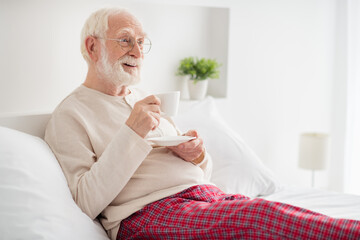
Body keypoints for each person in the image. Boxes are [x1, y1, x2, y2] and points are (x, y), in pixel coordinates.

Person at [45, 7, 360, 240]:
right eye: (126, 40)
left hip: (205, 197)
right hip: (148, 215)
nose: (138, 52)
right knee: (261, 216)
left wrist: (196, 155)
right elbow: (85, 201)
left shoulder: (144, 100)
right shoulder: (71, 114)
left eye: (142, 42)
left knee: (273, 216)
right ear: (92, 47)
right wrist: (133, 131)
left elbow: (198, 172)